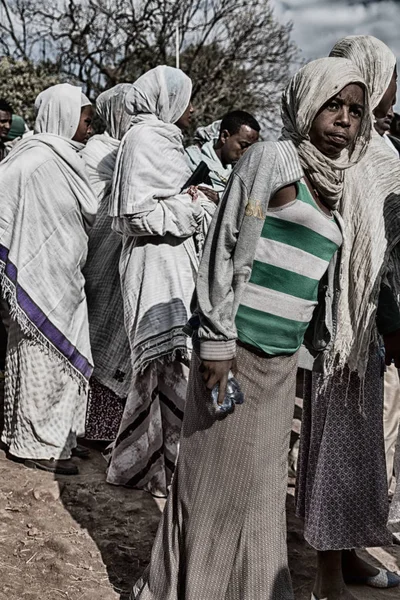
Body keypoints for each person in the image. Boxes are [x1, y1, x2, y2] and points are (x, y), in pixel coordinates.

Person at [131, 56, 371, 599]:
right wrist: (216, 340)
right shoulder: (270, 161)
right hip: (233, 355)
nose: (343, 120)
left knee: (260, 495)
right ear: (308, 102)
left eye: (355, 111)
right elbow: (225, 247)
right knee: (210, 482)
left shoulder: (340, 183)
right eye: (333, 105)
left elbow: (324, 282)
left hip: (281, 365)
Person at [296, 35, 400, 600]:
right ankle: (327, 572)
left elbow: (389, 253)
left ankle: (353, 553)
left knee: (362, 453)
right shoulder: (326, 156)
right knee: (331, 449)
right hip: (331, 329)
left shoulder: (381, 156)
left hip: (368, 329)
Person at [106, 66, 209, 497]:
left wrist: (189, 201)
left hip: (173, 262)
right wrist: (191, 207)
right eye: (185, 100)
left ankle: (162, 465)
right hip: (152, 264)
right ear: (168, 99)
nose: (191, 110)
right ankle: (147, 466)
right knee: (160, 364)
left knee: (174, 363)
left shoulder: (164, 139)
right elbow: (134, 215)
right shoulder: (145, 139)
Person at [0, 84, 97, 475]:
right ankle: (33, 444)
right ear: (64, 115)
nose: (90, 128)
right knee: (39, 358)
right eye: (86, 119)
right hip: (36, 278)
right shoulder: (33, 160)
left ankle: (58, 439)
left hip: (66, 278)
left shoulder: (67, 160)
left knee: (61, 363)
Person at [81, 83, 133, 442]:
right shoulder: (96, 152)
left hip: (120, 262)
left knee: (117, 337)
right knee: (93, 336)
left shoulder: (133, 151)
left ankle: (105, 429)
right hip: (96, 257)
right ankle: (85, 426)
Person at [185, 111, 260, 196]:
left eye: (251, 148)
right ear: (224, 136)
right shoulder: (191, 161)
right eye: (243, 145)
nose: (247, 152)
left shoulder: (238, 175)